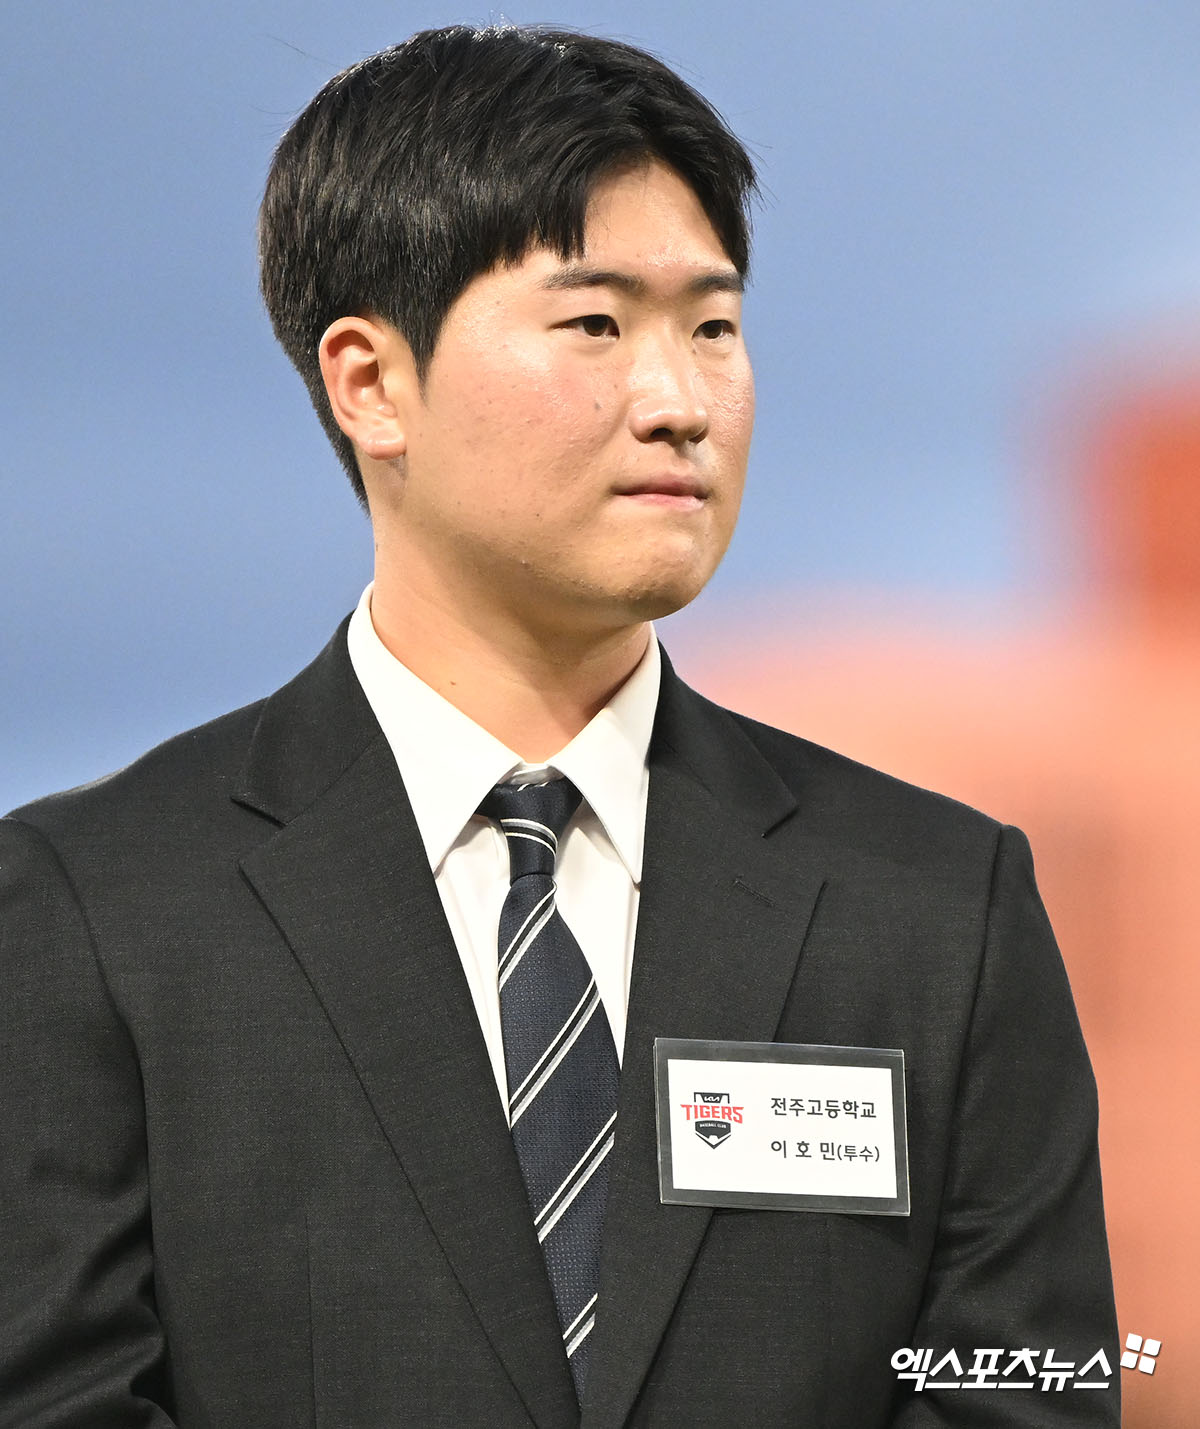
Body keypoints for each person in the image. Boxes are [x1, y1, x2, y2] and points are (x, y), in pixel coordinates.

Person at [0, 23, 1118, 1428]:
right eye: (596, 325)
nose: (680, 402)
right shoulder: (95, 908)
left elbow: (1031, 1390)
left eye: (713, 327)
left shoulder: (939, 907)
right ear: (370, 383)